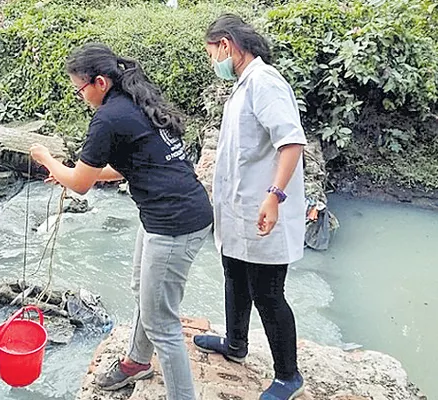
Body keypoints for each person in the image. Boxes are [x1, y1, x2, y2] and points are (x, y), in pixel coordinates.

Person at [30, 43, 213, 400]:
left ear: (99, 82)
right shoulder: (135, 100)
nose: (79, 96)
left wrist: (48, 160)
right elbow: (131, 166)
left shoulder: (109, 118)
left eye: (79, 89)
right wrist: (77, 173)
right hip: (167, 213)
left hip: (175, 222)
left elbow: (79, 185)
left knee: (163, 323)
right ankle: (136, 361)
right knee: (141, 290)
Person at [192, 14, 307, 400]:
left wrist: (274, 197)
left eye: (213, 53)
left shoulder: (265, 83)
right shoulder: (244, 85)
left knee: (268, 293)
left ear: (226, 45)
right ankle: (236, 345)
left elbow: (290, 142)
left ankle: (289, 377)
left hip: (264, 210)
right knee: (234, 276)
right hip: (239, 213)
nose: (214, 63)